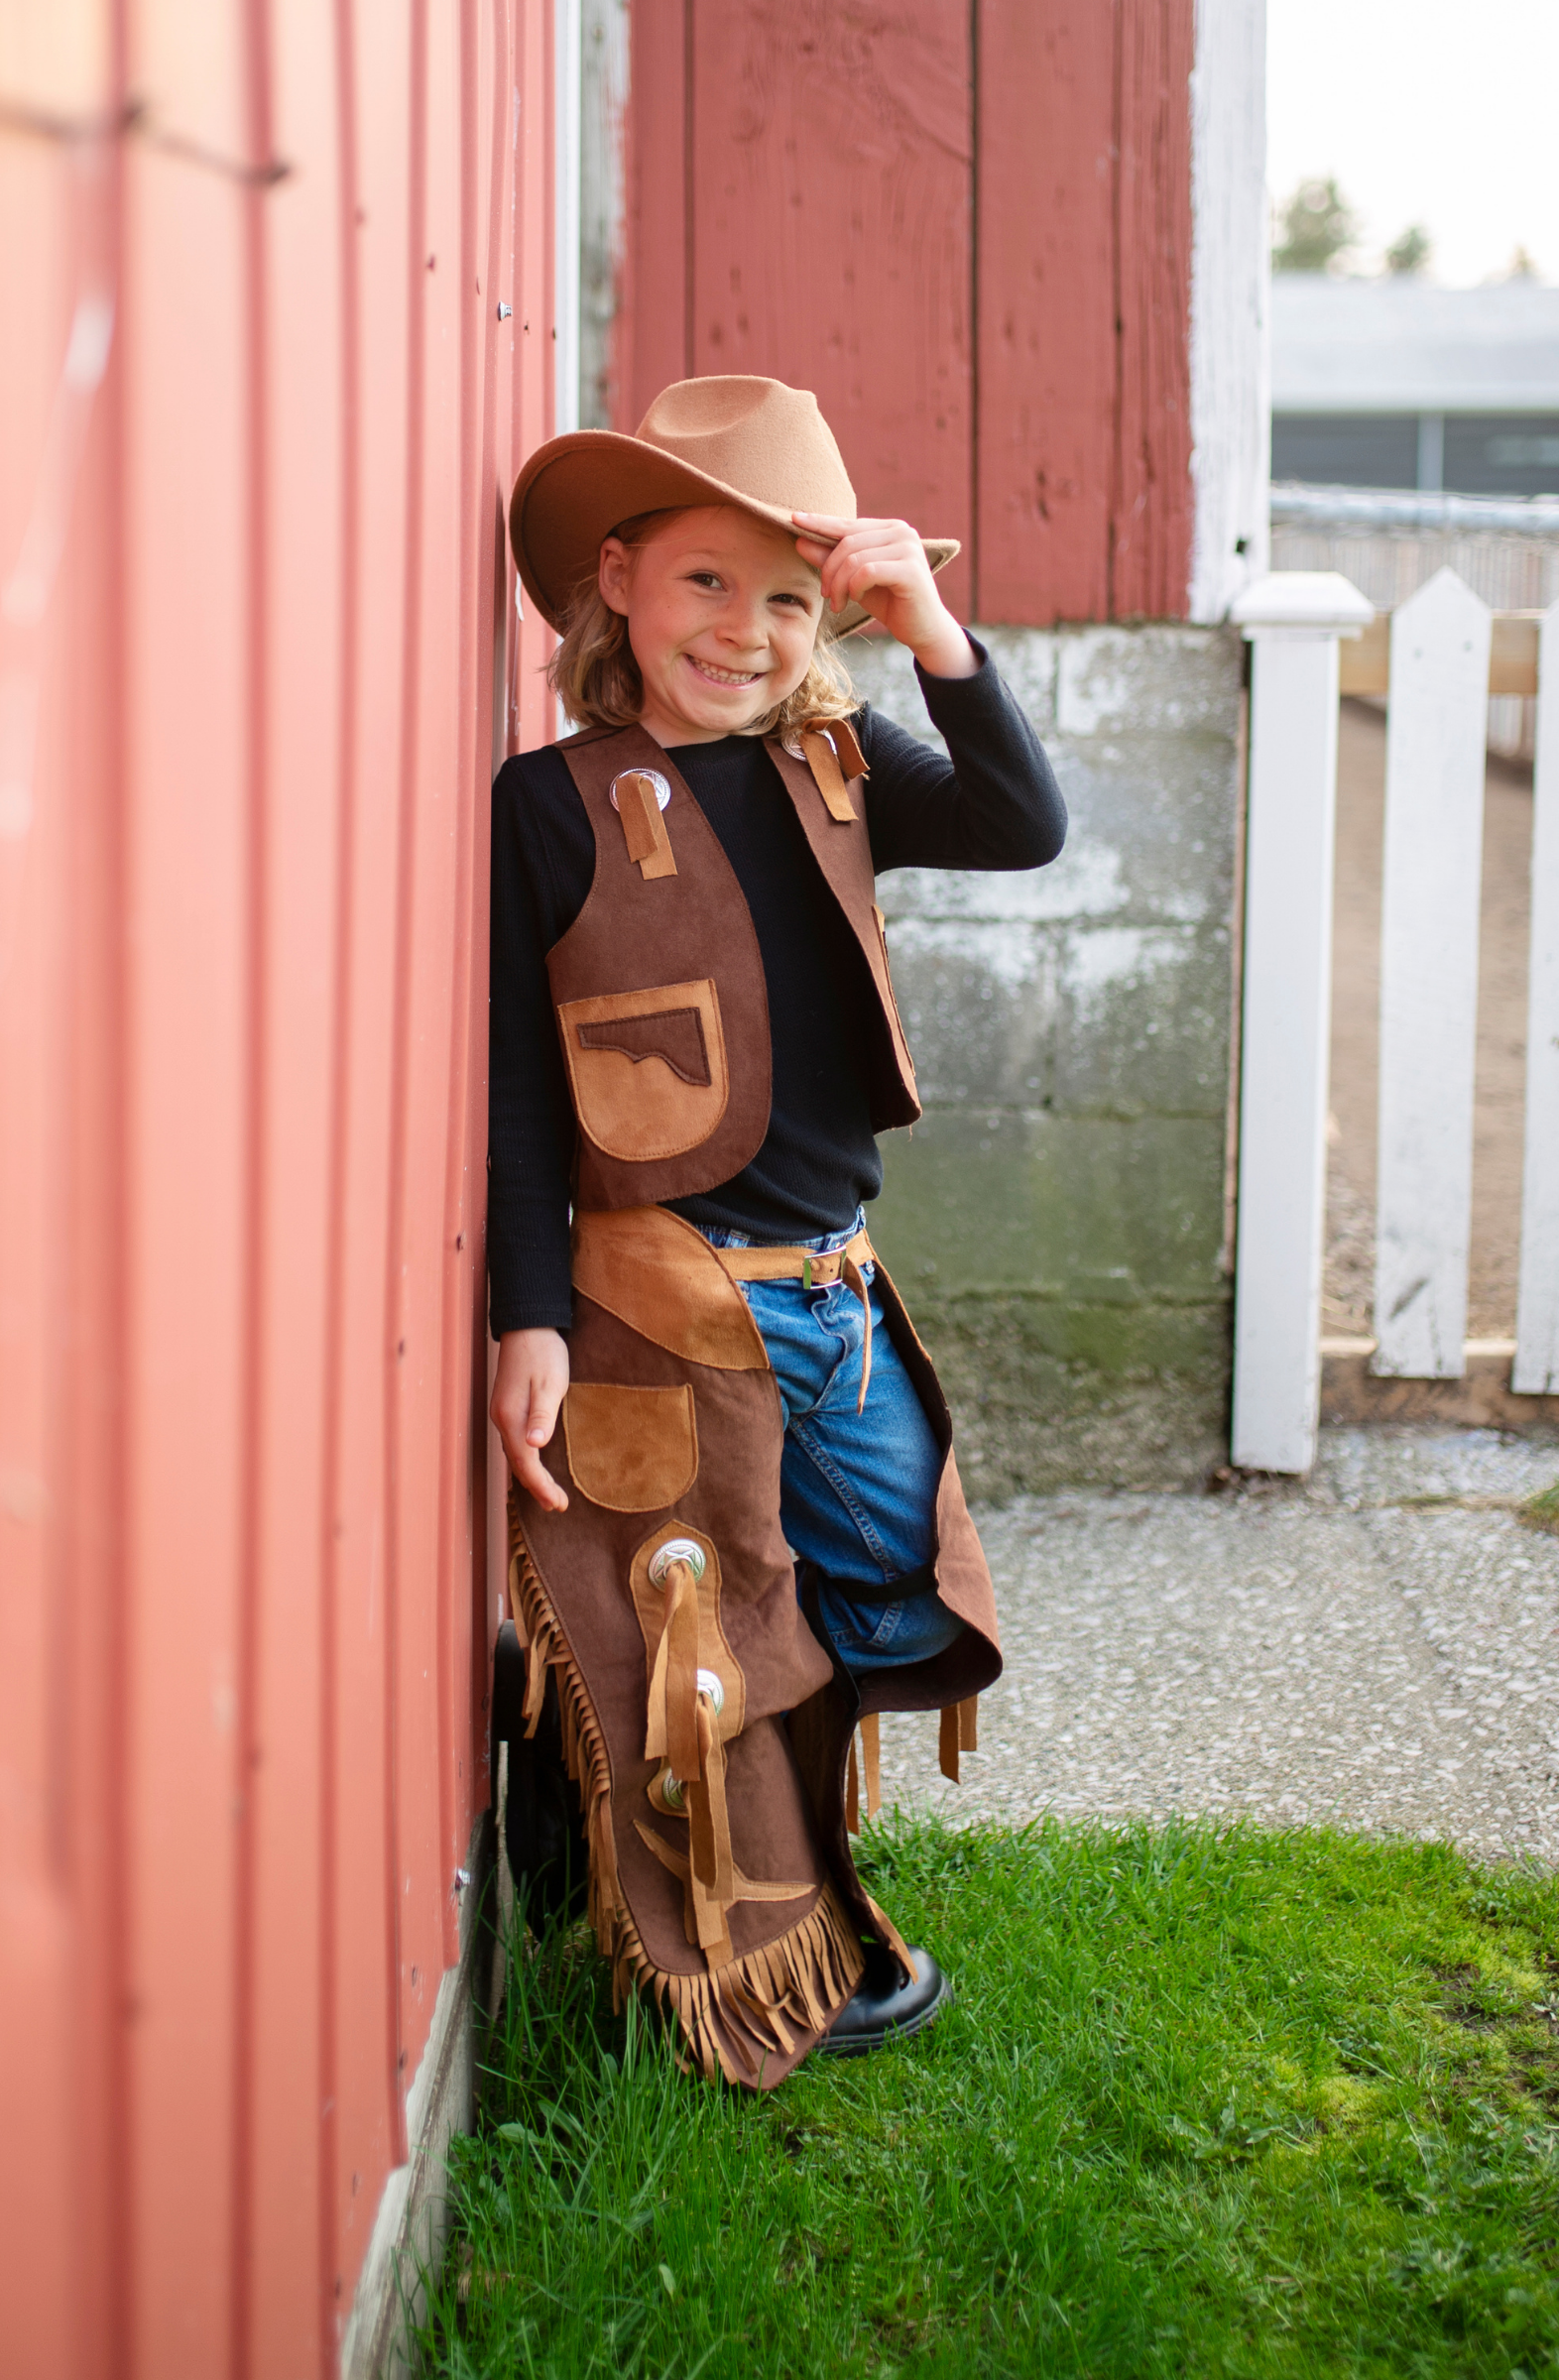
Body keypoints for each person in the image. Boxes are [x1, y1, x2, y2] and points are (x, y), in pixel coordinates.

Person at [488, 376, 1065, 2088]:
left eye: (792, 598)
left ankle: (742, 1848)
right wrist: (527, 1315)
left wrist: (928, 622)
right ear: (618, 578)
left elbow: (1022, 824)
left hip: (834, 1296)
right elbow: (525, 1090)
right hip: (669, 1300)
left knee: (889, 1600)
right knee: (711, 1640)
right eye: (707, 584)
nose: (745, 632)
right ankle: (706, 1902)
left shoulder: (839, 761)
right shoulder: (553, 801)